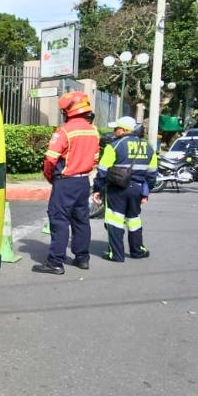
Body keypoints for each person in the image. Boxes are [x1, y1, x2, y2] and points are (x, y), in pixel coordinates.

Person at [32, 91, 101, 275]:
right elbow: (95, 158)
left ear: (68, 111)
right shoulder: (93, 131)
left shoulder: (64, 131)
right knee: (81, 220)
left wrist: (50, 177)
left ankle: (55, 262)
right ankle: (82, 258)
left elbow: (50, 159)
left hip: (65, 183)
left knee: (59, 220)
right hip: (83, 182)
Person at [92, 116, 157, 261]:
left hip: (117, 188)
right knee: (134, 219)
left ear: (124, 130)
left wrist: (97, 189)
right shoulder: (148, 147)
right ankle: (137, 251)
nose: (115, 131)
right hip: (137, 189)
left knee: (115, 220)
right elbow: (152, 173)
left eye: (117, 129)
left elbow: (102, 170)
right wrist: (146, 192)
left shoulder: (114, 146)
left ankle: (116, 254)